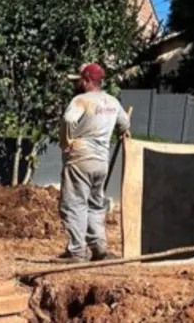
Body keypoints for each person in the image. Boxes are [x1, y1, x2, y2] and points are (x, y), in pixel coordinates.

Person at [58, 63, 130, 263]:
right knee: (95, 204)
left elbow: (67, 119)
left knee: (74, 203)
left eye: (80, 79)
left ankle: (76, 252)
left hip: (81, 158)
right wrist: (122, 131)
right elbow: (124, 123)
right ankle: (99, 249)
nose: (77, 83)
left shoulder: (81, 100)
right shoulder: (113, 102)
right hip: (101, 162)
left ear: (87, 80)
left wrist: (65, 142)